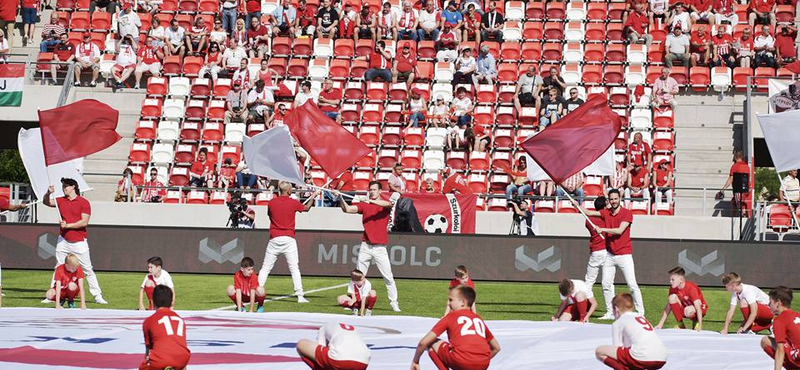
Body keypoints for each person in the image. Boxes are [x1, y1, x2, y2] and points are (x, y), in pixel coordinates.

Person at [576, 189, 643, 319]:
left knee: (632, 284)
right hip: (610, 255)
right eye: (611, 199)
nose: (613, 201)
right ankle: (611, 312)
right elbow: (589, 212)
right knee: (606, 284)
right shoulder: (606, 212)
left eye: (615, 199)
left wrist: (602, 229)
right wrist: (576, 205)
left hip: (624, 254)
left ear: (620, 199)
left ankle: (640, 312)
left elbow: (619, 230)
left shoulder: (627, 213)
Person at [334, 181, 401, 312]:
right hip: (366, 246)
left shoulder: (383, 204)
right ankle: (356, 302)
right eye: (370, 189)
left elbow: (388, 204)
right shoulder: (365, 205)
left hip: (380, 248)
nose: (372, 191)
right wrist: (340, 197)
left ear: (380, 191)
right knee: (358, 276)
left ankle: (394, 303)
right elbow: (347, 209)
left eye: (374, 190)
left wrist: (369, 201)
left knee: (388, 277)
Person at [42, 179, 107, 304]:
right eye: (63, 186)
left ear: (73, 187)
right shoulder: (60, 200)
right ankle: (54, 295)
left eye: (66, 186)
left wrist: (68, 226)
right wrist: (48, 193)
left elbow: (84, 222)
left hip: (79, 241)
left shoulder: (84, 202)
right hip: (63, 240)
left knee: (87, 268)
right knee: (58, 267)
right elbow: (46, 202)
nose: (64, 188)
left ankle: (97, 295)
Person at [411, 285, 501, 370]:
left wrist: (416, 360)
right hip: (483, 364)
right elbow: (496, 348)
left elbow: (423, 342)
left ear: (463, 302)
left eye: (451, 300)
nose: (448, 304)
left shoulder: (451, 316)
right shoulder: (478, 318)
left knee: (431, 343)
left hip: (461, 361)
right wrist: (478, 362)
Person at [259, 181, 321, 303]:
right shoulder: (293, 203)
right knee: (294, 268)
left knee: (265, 268)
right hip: (288, 238)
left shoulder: (272, 202)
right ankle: (300, 295)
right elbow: (306, 208)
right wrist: (313, 196)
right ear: (288, 191)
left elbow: (270, 215)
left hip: (274, 238)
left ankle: (257, 291)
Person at [595, 293, 667, 370]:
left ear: (616, 309)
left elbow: (617, 350)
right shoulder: (640, 317)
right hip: (662, 356)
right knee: (630, 354)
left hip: (642, 356)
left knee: (599, 351)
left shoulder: (619, 322)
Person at [140, 285, 191, 370]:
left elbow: (148, 350)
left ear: (152, 302)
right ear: (172, 302)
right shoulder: (180, 319)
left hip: (160, 361)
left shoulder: (149, 321)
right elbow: (181, 344)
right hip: (182, 359)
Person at [296, 322, 371, 370]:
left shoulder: (323, 328)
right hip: (364, 362)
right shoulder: (353, 329)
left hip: (339, 359)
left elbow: (320, 347)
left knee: (301, 344)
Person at [654, 267, 707, 331]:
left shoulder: (691, 288)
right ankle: (681, 325)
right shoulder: (673, 288)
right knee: (671, 298)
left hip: (700, 309)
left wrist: (700, 327)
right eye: (670, 280)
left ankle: (696, 322)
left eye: (673, 280)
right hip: (686, 309)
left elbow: (698, 308)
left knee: (688, 310)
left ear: (681, 280)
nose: (670, 282)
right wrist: (660, 324)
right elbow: (669, 306)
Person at [761, 286, 800, 370]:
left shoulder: (780, 320)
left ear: (778, 303)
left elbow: (780, 350)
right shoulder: (797, 315)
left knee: (765, 341)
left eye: (770, 301)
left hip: (798, 358)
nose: (768, 304)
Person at [584, 197, 607, 289]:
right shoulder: (608, 217)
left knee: (589, 280)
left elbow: (587, 225)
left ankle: (585, 301)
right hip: (606, 251)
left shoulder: (589, 220)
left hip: (596, 251)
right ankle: (610, 303)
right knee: (608, 281)